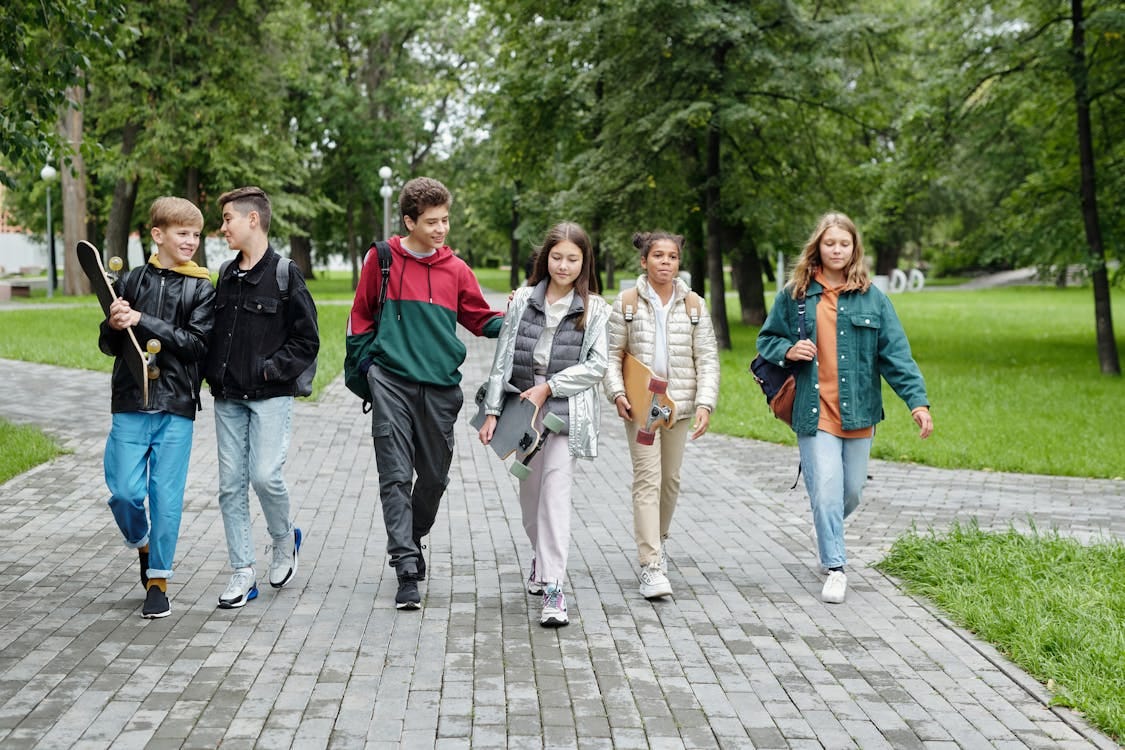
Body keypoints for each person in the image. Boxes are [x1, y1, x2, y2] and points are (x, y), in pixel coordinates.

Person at [756, 212, 933, 604]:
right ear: (818, 246)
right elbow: (767, 339)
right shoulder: (796, 295)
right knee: (827, 490)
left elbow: (896, 356)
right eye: (830, 243)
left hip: (859, 411)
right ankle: (836, 567)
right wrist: (788, 349)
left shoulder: (873, 298)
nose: (837, 250)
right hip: (813, 410)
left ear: (855, 249)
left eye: (844, 244)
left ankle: (826, 527)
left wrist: (916, 402)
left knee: (850, 492)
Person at [348, 177, 503, 611]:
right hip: (391, 381)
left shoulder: (456, 269)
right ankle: (404, 566)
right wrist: (367, 370)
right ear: (409, 221)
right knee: (395, 474)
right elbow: (359, 316)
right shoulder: (381, 261)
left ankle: (412, 537)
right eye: (431, 222)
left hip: (440, 387)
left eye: (445, 220)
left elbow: (478, 317)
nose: (440, 229)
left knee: (433, 477)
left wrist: (521, 316)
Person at [478, 222, 610, 627]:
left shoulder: (596, 308)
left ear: (585, 262)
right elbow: (502, 358)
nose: (564, 265)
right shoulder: (521, 301)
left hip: (564, 410)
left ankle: (554, 586)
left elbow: (598, 366)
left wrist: (551, 386)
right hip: (523, 407)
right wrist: (493, 411)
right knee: (530, 501)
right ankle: (540, 558)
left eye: (573, 258)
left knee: (555, 496)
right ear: (545, 258)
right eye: (557, 257)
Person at [99, 197, 215, 619]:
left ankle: (159, 581)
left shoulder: (202, 287)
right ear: (158, 235)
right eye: (182, 233)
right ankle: (142, 543)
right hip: (131, 400)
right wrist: (114, 324)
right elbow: (108, 344)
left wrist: (142, 320)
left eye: (196, 235)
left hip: (176, 403)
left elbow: (196, 345)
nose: (190, 242)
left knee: (166, 496)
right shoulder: (130, 280)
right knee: (125, 493)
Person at [205, 186, 320, 609]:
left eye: (228, 219)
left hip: (271, 396)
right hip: (228, 398)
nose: (223, 228)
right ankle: (242, 571)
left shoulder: (286, 274)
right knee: (229, 487)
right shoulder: (225, 275)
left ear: (253, 220)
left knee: (265, 475)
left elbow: (307, 340)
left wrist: (270, 370)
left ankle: (283, 540)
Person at [604, 231, 720, 600]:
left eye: (672, 257)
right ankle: (651, 564)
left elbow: (708, 359)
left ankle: (659, 538)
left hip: (679, 406)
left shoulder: (695, 306)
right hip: (640, 406)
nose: (665, 262)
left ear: (678, 262)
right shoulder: (625, 304)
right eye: (658, 256)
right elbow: (610, 356)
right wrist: (618, 393)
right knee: (647, 480)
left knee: (670, 480)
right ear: (644, 261)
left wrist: (705, 403)